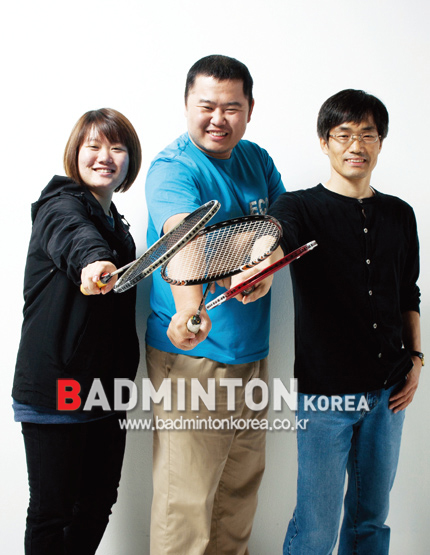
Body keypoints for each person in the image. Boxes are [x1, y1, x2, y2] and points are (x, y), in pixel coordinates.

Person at [263, 89, 422, 554]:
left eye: (368, 135)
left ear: (380, 142)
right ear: (324, 141)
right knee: (316, 528)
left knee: (370, 520)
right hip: (324, 394)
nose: (357, 145)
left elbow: (407, 292)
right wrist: (261, 266)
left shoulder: (400, 214)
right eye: (344, 134)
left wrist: (416, 358)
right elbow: (277, 243)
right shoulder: (297, 206)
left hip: (389, 393)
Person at [145, 54, 285, 555]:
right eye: (206, 106)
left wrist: (265, 263)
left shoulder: (257, 159)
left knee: (237, 495)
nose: (218, 119)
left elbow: (280, 225)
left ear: (250, 109)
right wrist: (189, 310)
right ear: (187, 105)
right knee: (185, 504)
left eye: (231, 107)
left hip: (251, 352)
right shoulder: (173, 167)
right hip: (193, 356)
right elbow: (185, 238)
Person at [12, 108, 142, 554]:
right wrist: (93, 263)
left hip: (106, 392)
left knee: (98, 503)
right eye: (94, 146)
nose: (105, 157)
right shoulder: (59, 205)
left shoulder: (116, 223)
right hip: (57, 388)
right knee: (52, 512)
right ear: (76, 153)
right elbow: (74, 237)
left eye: (117, 148)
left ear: (129, 160)